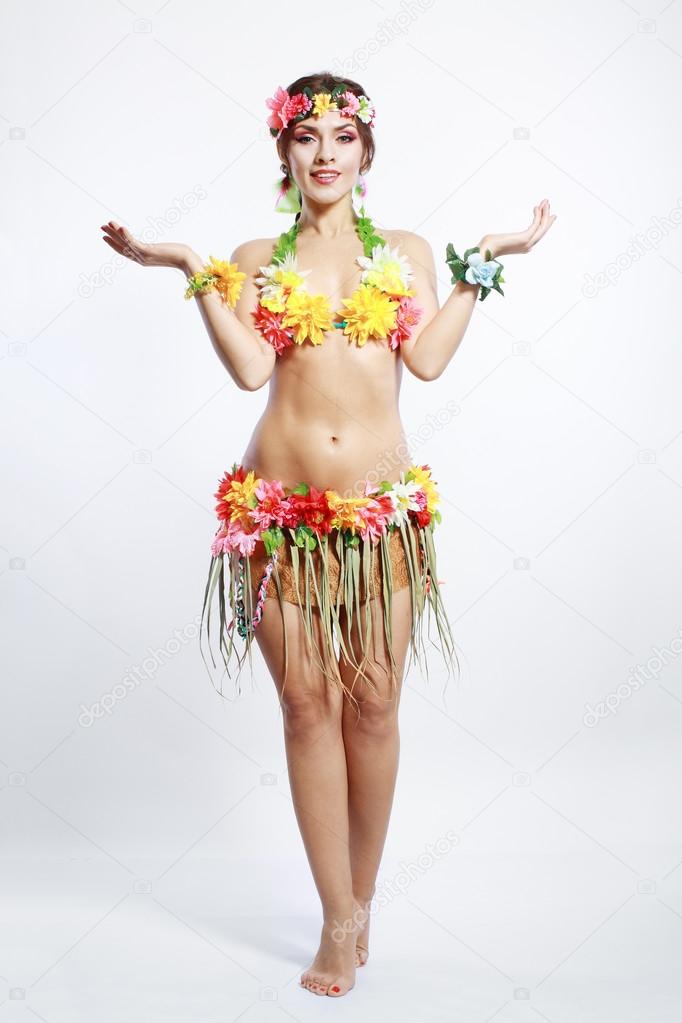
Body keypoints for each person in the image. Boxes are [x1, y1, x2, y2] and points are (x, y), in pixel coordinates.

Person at [101, 71, 556, 999]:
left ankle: (358, 906)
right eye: (306, 137)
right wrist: (193, 268)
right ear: (283, 152)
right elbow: (248, 370)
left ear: (366, 152)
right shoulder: (255, 254)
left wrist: (485, 259)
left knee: (375, 708)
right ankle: (334, 920)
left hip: (380, 517)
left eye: (342, 137)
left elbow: (425, 361)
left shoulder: (409, 250)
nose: (324, 153)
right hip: (277, 514)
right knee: (308, 708)